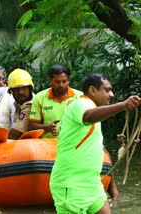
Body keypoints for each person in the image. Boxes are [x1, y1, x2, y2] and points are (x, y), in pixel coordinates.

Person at [50, 73, 141, 214]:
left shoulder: (92, 111)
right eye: (107, 90)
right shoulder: (81, 104)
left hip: (92, 184)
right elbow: (88, 116)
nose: (111, 94)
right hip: (72, 185)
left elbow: (100, 149)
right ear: (92, 90)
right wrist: (123, 105)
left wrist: (113, 189)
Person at [29, 64, 83, 138]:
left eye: (64, 81)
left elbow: (88, 122)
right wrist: (47, 128)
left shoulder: (80, 97)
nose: (61, 85)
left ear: (69, 80)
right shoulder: (40, 98)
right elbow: (32, 124)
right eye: (57, 82)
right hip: (48, 145)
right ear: (50, 81)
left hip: (73, 144)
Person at [7, 68, 35, 139]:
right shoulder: (18, 104)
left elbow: (15, 134)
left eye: (24, 88)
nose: (20, 92)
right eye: (16, 89)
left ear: (30, 88)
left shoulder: (30, 104)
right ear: (11, 91)